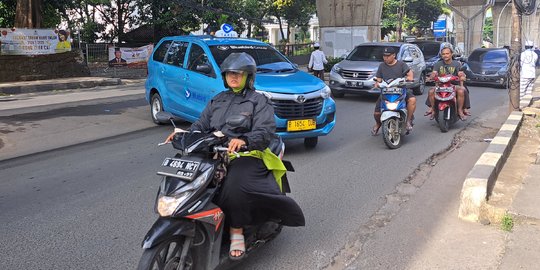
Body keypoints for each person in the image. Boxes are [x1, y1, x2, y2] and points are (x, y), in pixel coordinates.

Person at [164, 52, 305, 260]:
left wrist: (245, 140)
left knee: (233, 185)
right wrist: (183, 134)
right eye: (230, 73)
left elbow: (264, 131)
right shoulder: (217, 100)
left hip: (249, 154)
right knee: (187, 177)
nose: (234, 78)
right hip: (215, 152)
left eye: (239, 74)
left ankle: (236, 230)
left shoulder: (259, 101)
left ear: (249, 77)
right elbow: (200, 125)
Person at [371, 46, 416, 135]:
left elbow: (409, 73)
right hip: (386, 92)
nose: (386, 58)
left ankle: (408, 121)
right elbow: (379, 79)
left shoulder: (401, 64)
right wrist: (377, 84)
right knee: (376, 113)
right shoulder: (382, 66)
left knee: (412, 100)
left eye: (388, 56)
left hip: (401, 90)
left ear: (394, 55)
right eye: (384, 56)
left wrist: (409, 78)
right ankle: (378, 124)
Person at [424, 46, 470, 121]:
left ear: (451, 54)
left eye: (447, 53)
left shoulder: (456, 64)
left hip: (453, 84)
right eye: (443, 54)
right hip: (441, 85)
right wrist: (431, 77)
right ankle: (433, 109)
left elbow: (460, 73)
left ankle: (460, 110)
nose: (445, 55)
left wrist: (461, 76)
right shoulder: (438, 64)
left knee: (461, 91)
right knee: (431, 91)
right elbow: (434, 73)